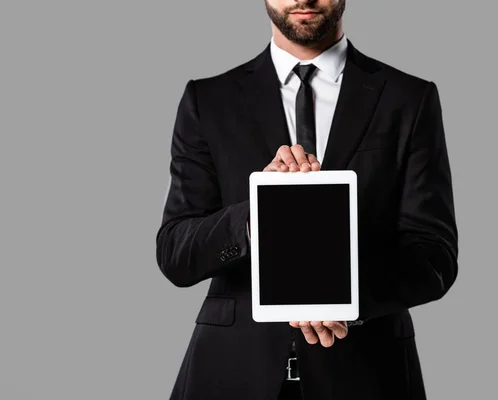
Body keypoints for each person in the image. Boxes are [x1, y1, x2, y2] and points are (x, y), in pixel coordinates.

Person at [155, 0, 458, 399]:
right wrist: (259, 212)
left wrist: (347, 300)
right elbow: (176, 252)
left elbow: (435, 256)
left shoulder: (408, 98)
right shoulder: (208, 99)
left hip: (366, 373)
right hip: (231, 372)